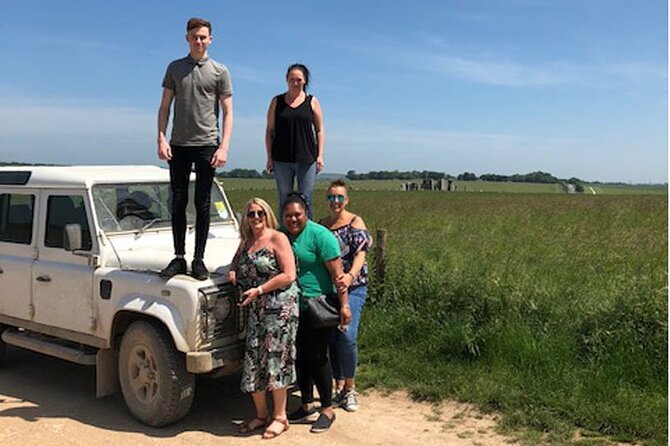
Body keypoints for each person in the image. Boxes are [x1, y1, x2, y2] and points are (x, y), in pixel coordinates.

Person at [157, 17, 233, 280]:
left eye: (203, 37)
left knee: (202, 203)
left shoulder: (219, 71)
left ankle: (198, 259)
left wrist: (223, 146)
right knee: (178, 202)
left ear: (210, 39)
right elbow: (165, 105)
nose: (199, 41)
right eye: (194, 37)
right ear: (187, 38)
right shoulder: (175, 68)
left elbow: (228, 111)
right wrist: (161, 138)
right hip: (179, 143)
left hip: (207, 144)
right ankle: (179, 257)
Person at [228, 198, 299, 439]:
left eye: (259, 213)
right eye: (251, 214)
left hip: (279, 309)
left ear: (267, 214)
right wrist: (232, 271)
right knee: (253, 359)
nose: (256, 217)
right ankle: (261, 414)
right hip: (255, 310)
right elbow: (236, 261)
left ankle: (280, 417)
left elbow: (289, 275)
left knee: (276, 360)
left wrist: (260, 290)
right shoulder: (247, 241)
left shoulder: (278, 238)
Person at [282, 192, 352, 434]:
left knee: (319, 357)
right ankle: (306, 404)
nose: (293, 220)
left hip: (320, 305)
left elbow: (339, 277)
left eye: (297, 215)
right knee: (300, 356)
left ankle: (327, 409)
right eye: (288, 215)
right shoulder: (282, 236)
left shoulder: (321, 236)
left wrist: (344, 305)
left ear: (306, 213)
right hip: (293, 307)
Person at [318, 179, 372, 412]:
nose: (336, 201)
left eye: (340, 197)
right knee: (333, 338)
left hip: (354, 286)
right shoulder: (321, 225)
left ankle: (350, 388)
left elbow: (361, 253)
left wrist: (350, 276)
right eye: (331, 197)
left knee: (347, 335)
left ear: (346, 199)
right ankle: (338, 384)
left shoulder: (354, 221)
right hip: (330, 290)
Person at [265, 64, 324, 218]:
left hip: (307, 159)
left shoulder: (312, 101)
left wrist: (320, 155)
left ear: (304, 81)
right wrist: (269, 157)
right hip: (281, 159)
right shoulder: (276, 101)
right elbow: (269, 130)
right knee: (284, 199)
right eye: (292, 79)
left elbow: (319, 130)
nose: (295, 83)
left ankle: (308, 237)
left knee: (306, 199)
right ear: (286, 79)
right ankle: (284, 236)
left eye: (299, 79)